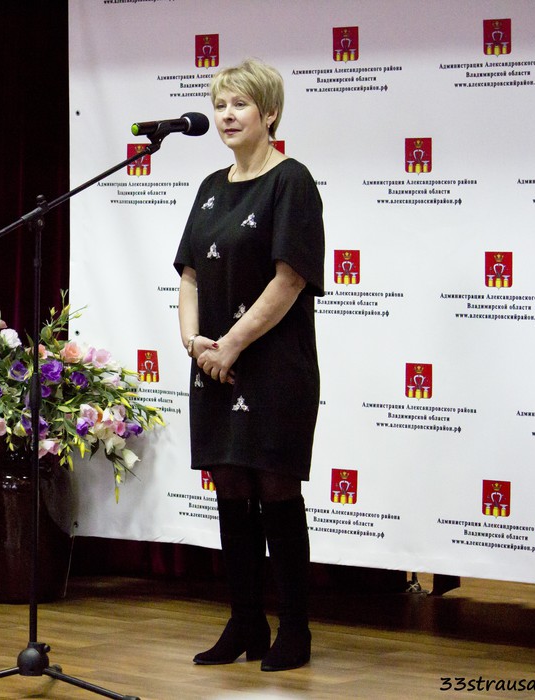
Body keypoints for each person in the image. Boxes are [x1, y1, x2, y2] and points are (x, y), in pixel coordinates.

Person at [174, 59, 324, 671]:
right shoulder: (211, 186)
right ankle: (245, 621)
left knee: (274, 485)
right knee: (231, 485)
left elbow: (290, 279)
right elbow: (189, 274)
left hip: (273, 364)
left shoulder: (292, 181)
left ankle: (295, 628)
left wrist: (231, 344)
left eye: (240, 104)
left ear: (270, 113)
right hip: (214, 361)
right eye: (220, 105)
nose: (227, 116)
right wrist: (194, 342)